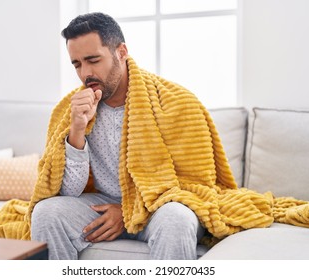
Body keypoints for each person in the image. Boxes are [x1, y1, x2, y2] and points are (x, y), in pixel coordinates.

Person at [30, 12, 207, 260]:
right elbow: (69, 192)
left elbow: (196, 187)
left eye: (93, 60)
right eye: (77, 64)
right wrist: (77, 130)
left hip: (160, 206)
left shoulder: (178, 103)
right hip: (100, 204)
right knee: (46, 213)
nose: (85, 74)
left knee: (177, 219)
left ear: (121, 52)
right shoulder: (67, 111)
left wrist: (126, 213)